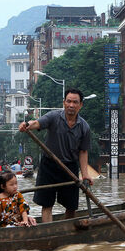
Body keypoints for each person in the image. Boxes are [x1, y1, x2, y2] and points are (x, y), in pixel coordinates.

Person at [18, 88, 91, 222]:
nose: (71, 105)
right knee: (47, 203)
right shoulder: (54, 117)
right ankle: (48, 230)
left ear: (80, 105)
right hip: (49, 165)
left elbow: (83, 151)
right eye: (68, 101)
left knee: (71, 205)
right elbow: (38, 122)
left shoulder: (84, 127)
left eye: (75, 102)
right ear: (64, 102)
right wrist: (27, 125)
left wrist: (85, 174)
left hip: (69, 167)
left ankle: (67, 229)